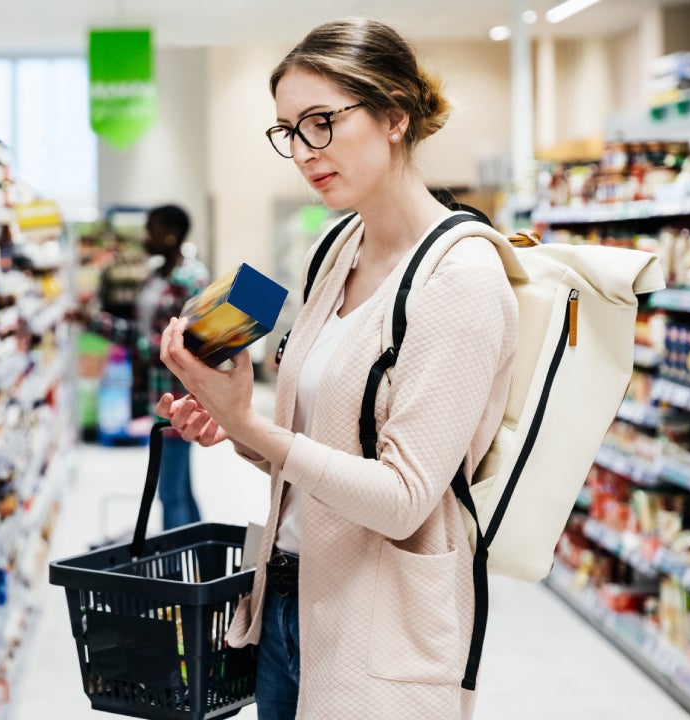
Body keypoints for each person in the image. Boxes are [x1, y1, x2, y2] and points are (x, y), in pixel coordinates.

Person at [155, 18, 519, 720]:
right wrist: (232, 428)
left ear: (393, 116)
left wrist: (253, 425)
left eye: (321, 122)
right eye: (289, 130)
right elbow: (322, 455)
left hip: (379, 626)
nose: (302, 151)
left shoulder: (460, 279)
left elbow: (404, 497)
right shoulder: (335, 249)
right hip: (287, 605)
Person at [89, 204, 210, 529]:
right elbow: (139, 334)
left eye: (151, 229)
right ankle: (199, 557)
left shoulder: (192, 278)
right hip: (158, 392)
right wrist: (91, 321)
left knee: (170, 491)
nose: (145, 237)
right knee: (179, 486)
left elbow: (190, 340)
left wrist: (143, 347)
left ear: (171, 235)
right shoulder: (157, 276)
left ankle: (177, 572)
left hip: (181, 394)